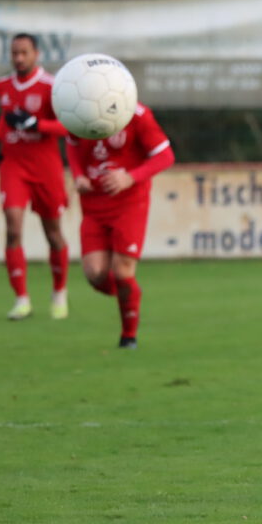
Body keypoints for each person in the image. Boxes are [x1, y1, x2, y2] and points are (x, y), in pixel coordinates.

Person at [66, 101, 175, 349]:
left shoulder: (138, 115)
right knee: (95, 274)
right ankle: (130, 295)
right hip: (93, 203)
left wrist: (130, 177)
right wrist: (78, 174)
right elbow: (72, 143)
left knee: (122, 271)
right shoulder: (78, 106)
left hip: (129, 203)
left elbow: (166, 156)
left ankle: (128, 336)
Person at [0, 33, 71, 320]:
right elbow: (6, 117)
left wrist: (38, 124)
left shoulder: (51, 86)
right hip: (14, 165)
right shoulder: (2, 85)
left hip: (45, 168)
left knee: (53, 234)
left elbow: (67, 126)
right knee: (13, 228)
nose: (19, 58)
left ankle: (59, 292)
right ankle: (21, 299)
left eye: (24, 52)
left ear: (36, 53)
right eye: (15, 53)